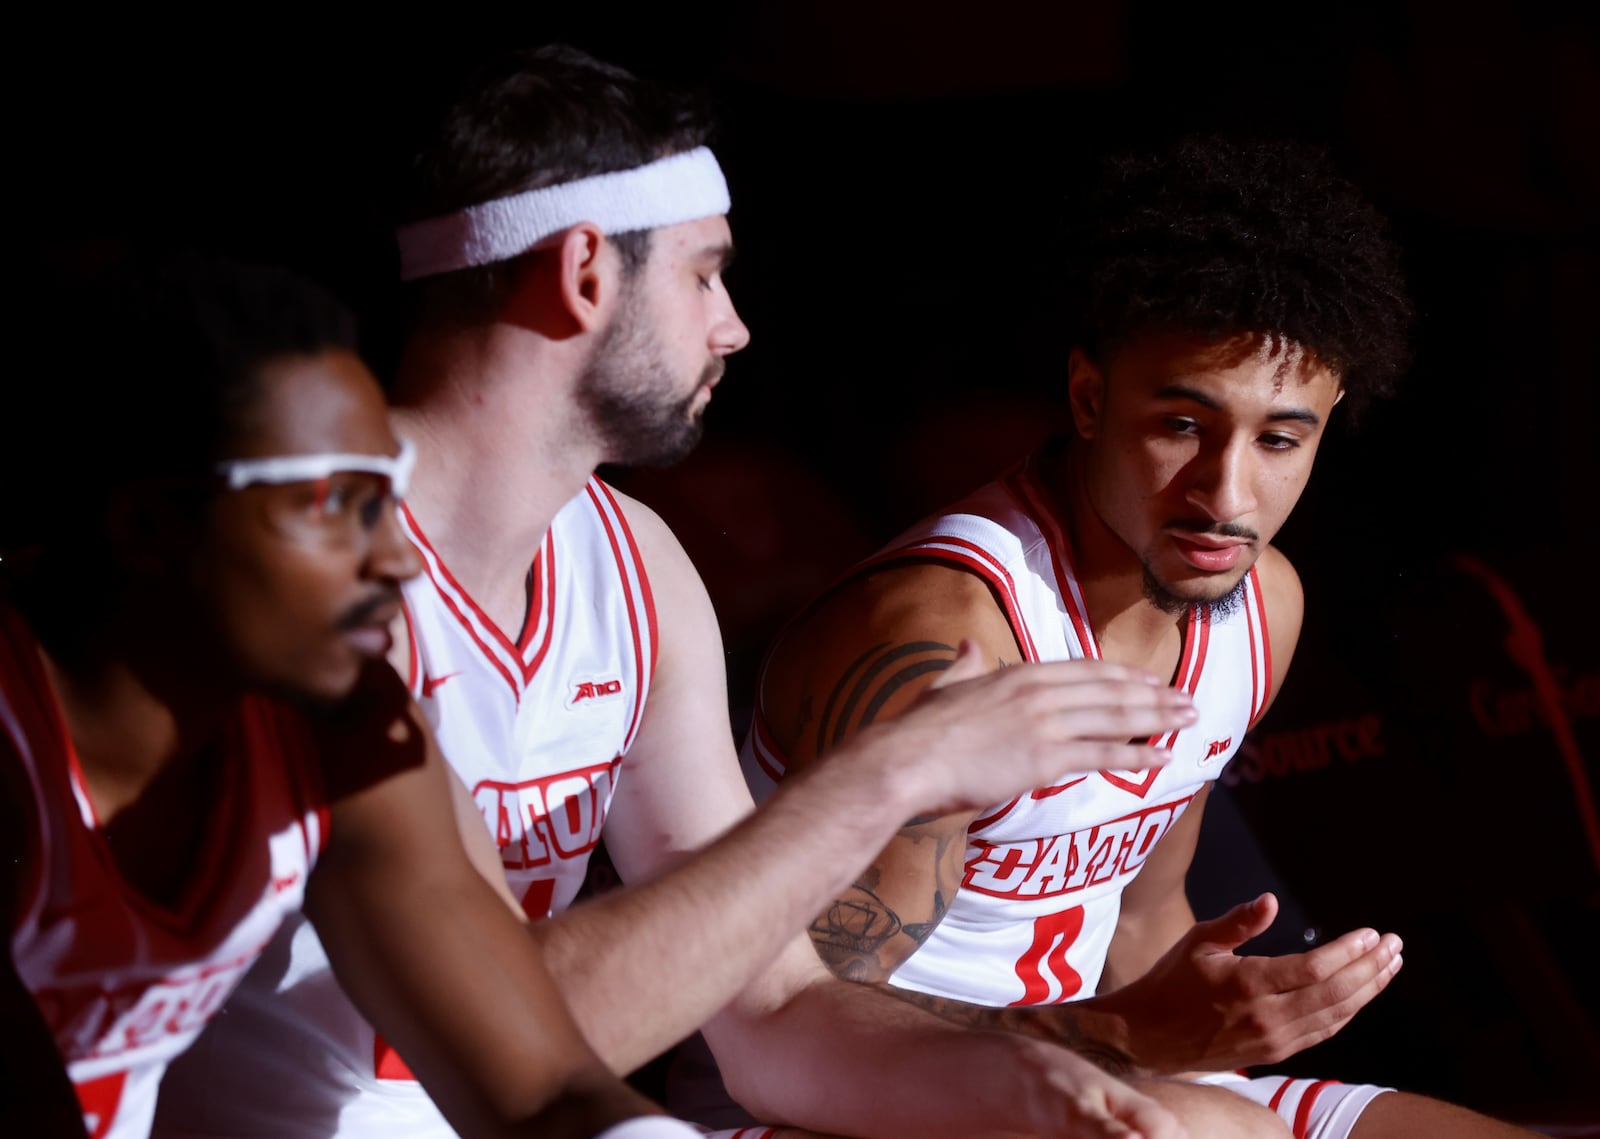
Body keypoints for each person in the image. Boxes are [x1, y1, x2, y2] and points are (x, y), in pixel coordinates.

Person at [152, 47, 1208, 1139]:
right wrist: (897, 769)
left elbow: (773, 1006)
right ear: (584, 274)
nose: (734, 325)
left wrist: (1019, 1085)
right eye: (705, 273)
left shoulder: (636, 563)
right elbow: (517, 1036)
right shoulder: (304, 573)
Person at [739, 135, 1538, 1138]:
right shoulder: (947, 638)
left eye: (1280, 439)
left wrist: (1217, 1025)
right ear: (1088, 397)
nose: (1225, 493)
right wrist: (1127, 1036)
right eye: (1181, 425)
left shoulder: (1262, 604)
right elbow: (787, 1037)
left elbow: (1144, 914)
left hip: (1097, 1067)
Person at [0, 256, 712, 1139]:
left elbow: (540, 1089)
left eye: (388, 496)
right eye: (341, 504)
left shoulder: (347, 723)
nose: (398, 558)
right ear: (153, 525)